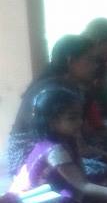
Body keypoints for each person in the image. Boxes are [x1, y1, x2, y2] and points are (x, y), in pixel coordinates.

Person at [8, 35, 100, 175]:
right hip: (30, 158)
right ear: (71, 61)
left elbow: (81, 137)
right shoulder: (55, 90)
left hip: (58, 149)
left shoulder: (69, 86)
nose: (96, 65)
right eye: (90, 60)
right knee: (100, 172)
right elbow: (82, 149)